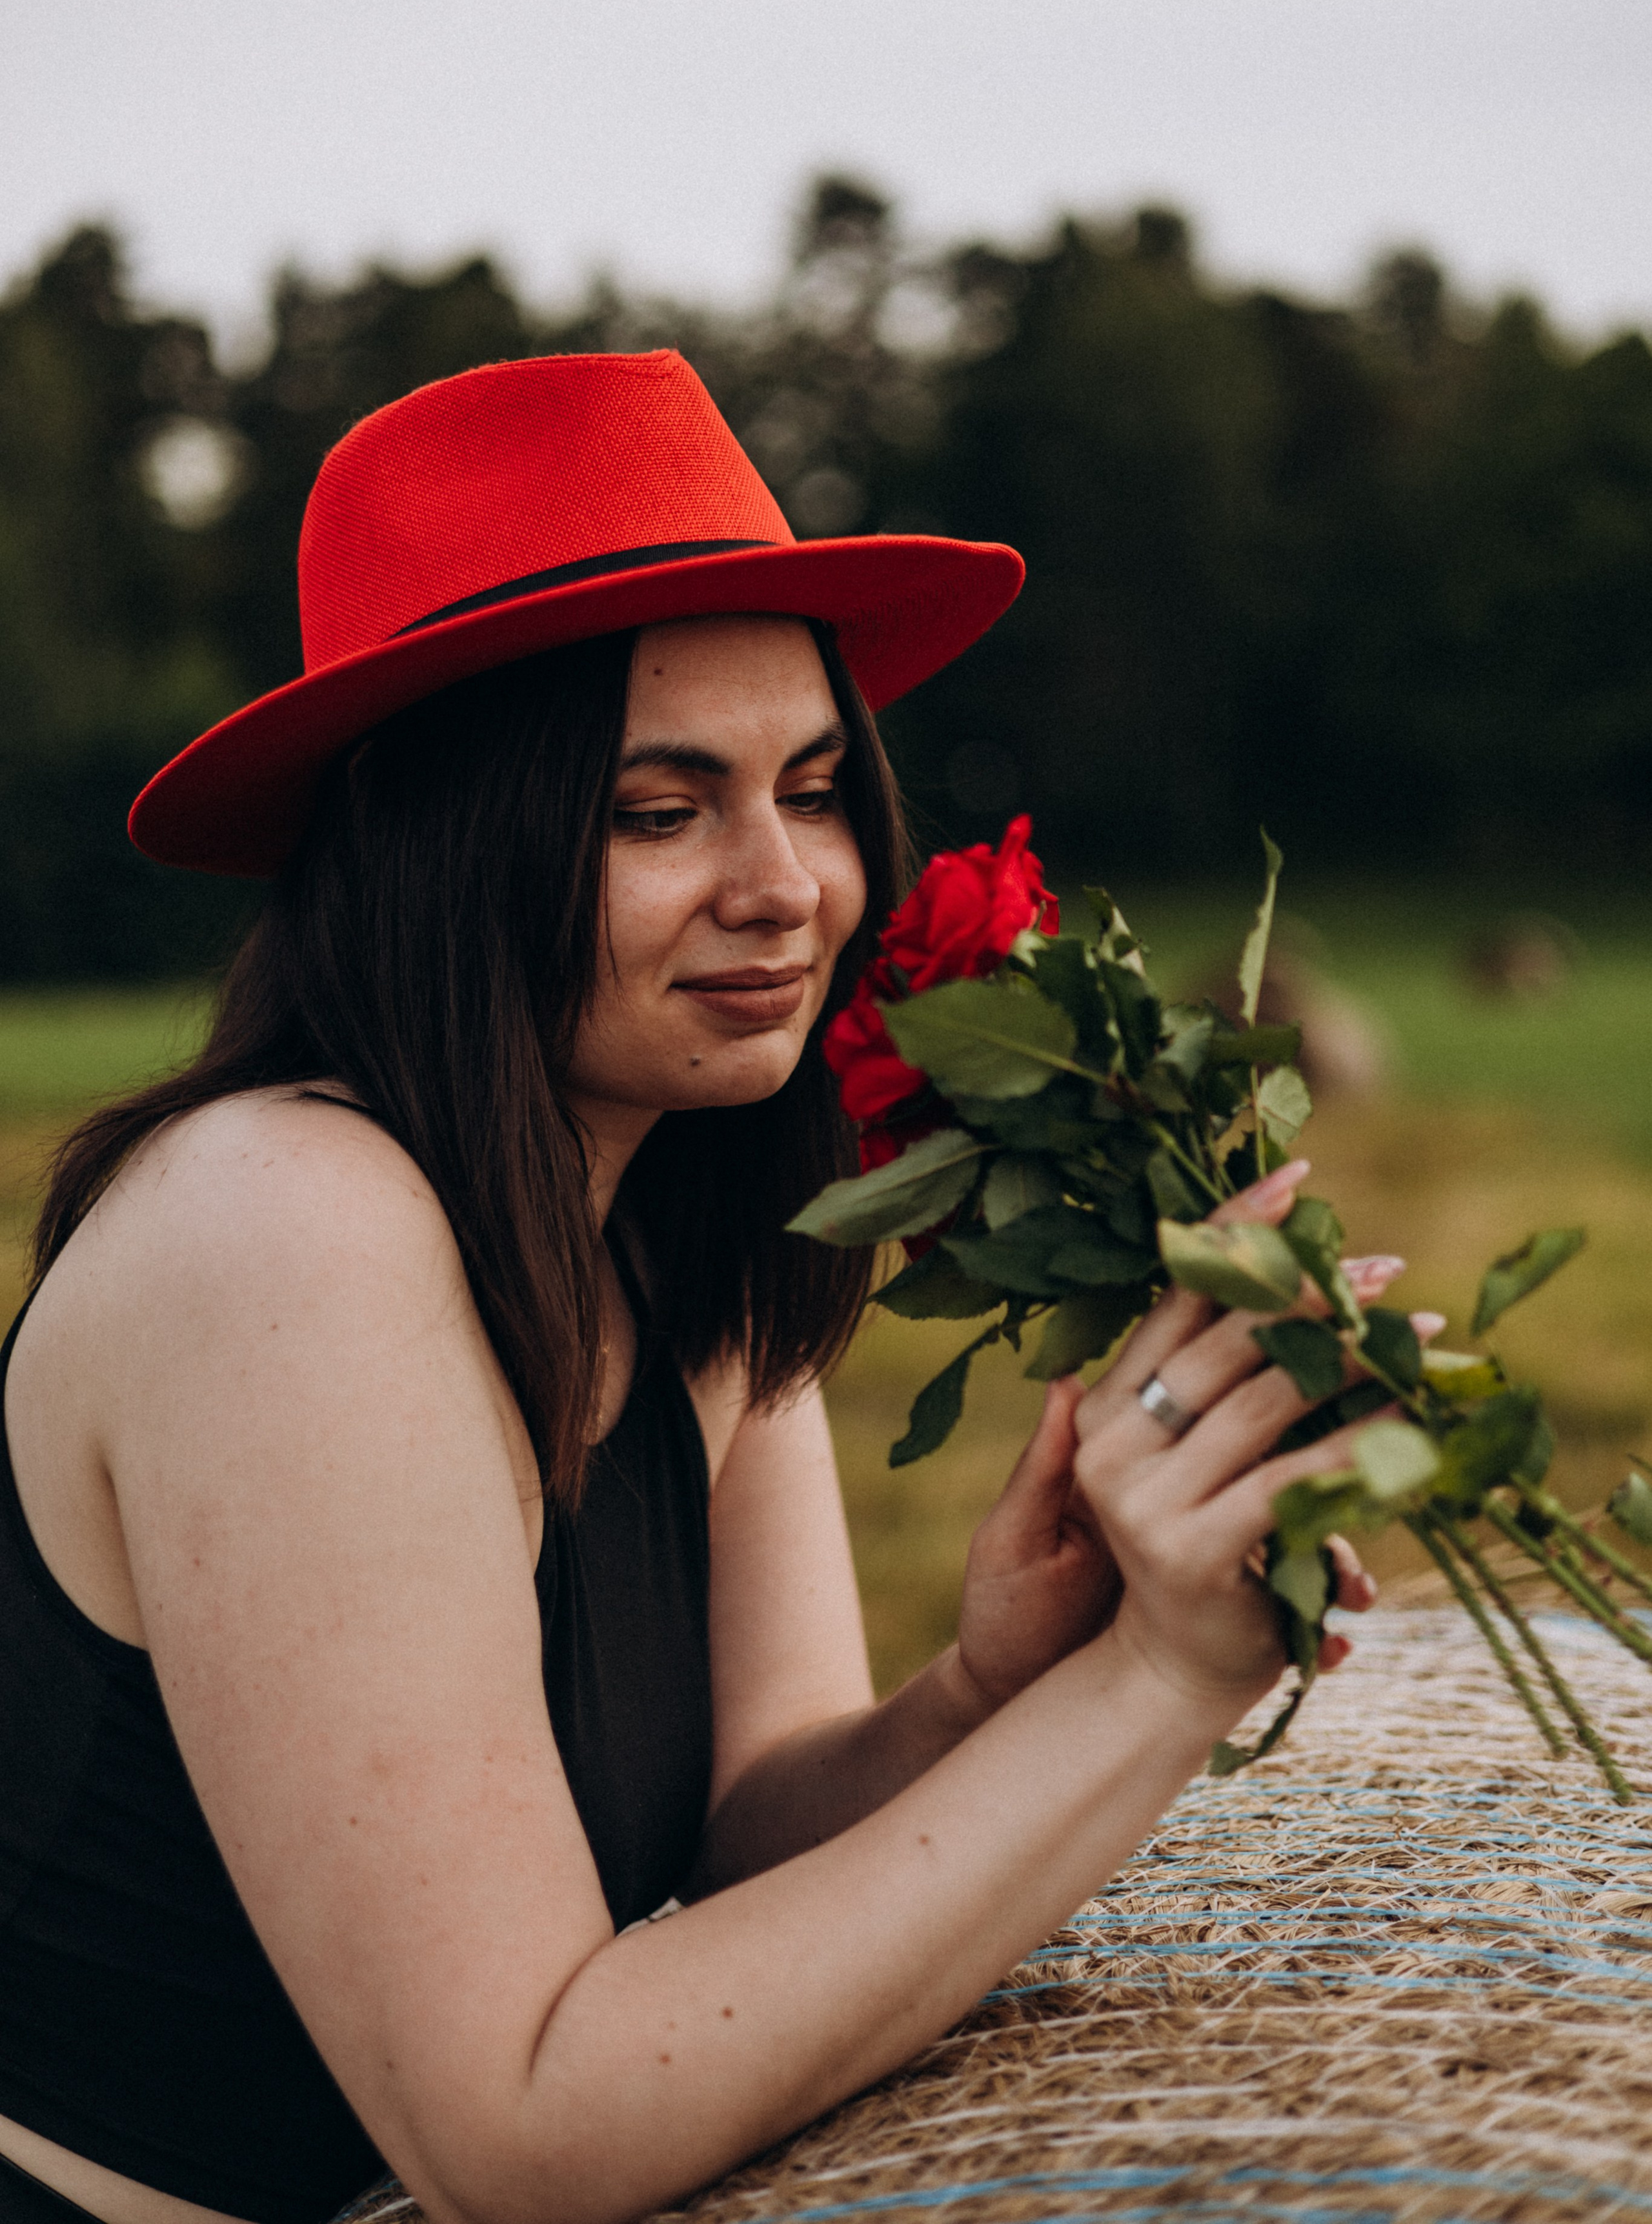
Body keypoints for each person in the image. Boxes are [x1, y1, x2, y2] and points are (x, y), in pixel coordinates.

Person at [0, 352, 1411, 2224]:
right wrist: (1161, 1684)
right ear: (444, 844)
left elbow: (754, 1839)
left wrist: (999, 1682)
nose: (786, 887)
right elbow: (518, 2133)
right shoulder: (286, 1227)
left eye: (813, 791)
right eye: (659, 812)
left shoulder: (679, 1223)